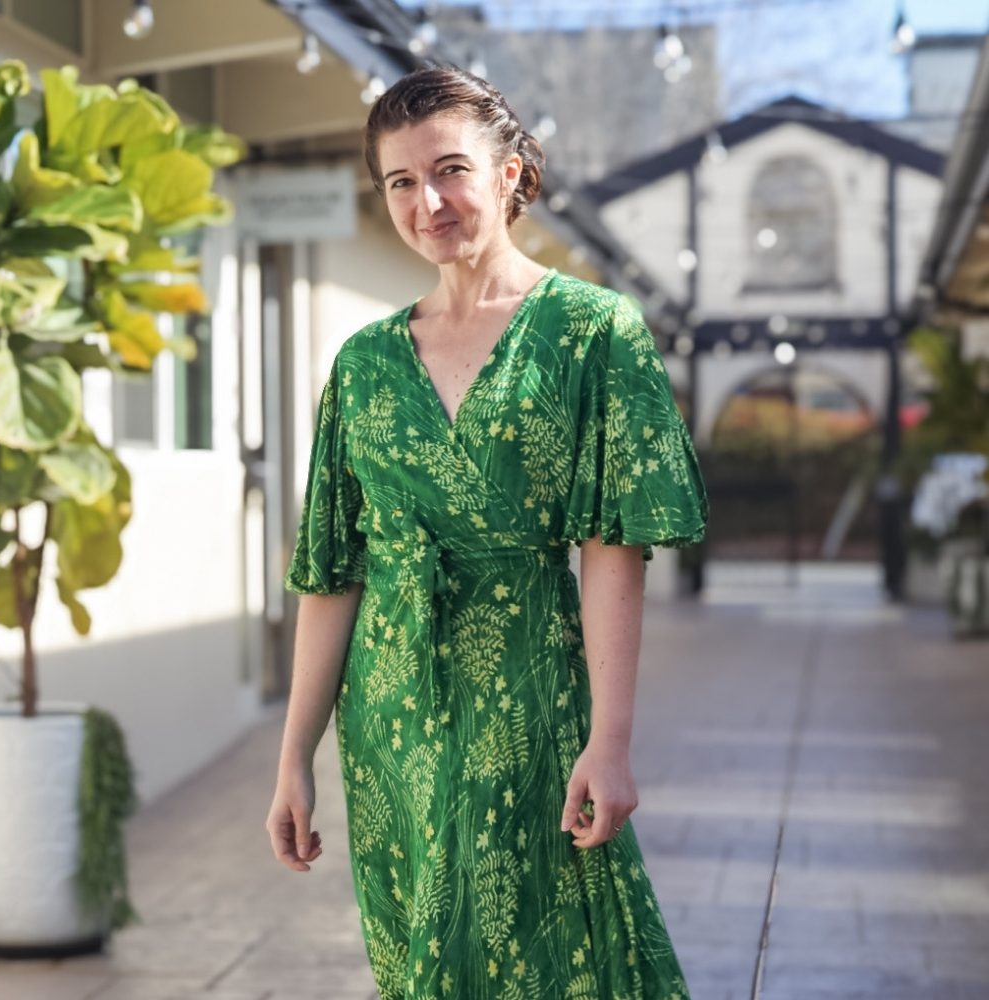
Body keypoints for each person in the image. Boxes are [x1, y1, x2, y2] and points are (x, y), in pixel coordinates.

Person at [266, 67, 708, 1000]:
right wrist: (294, 756)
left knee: (550, 946)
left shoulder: (593, 332)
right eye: (400, 181)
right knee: (424, 954)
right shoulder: (363, 363)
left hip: (529, 687)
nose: (426, 202)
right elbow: (333, 572)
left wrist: (611, 739)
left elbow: (613, 549)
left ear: (509, 174)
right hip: (390, 712)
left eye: (450, 171)